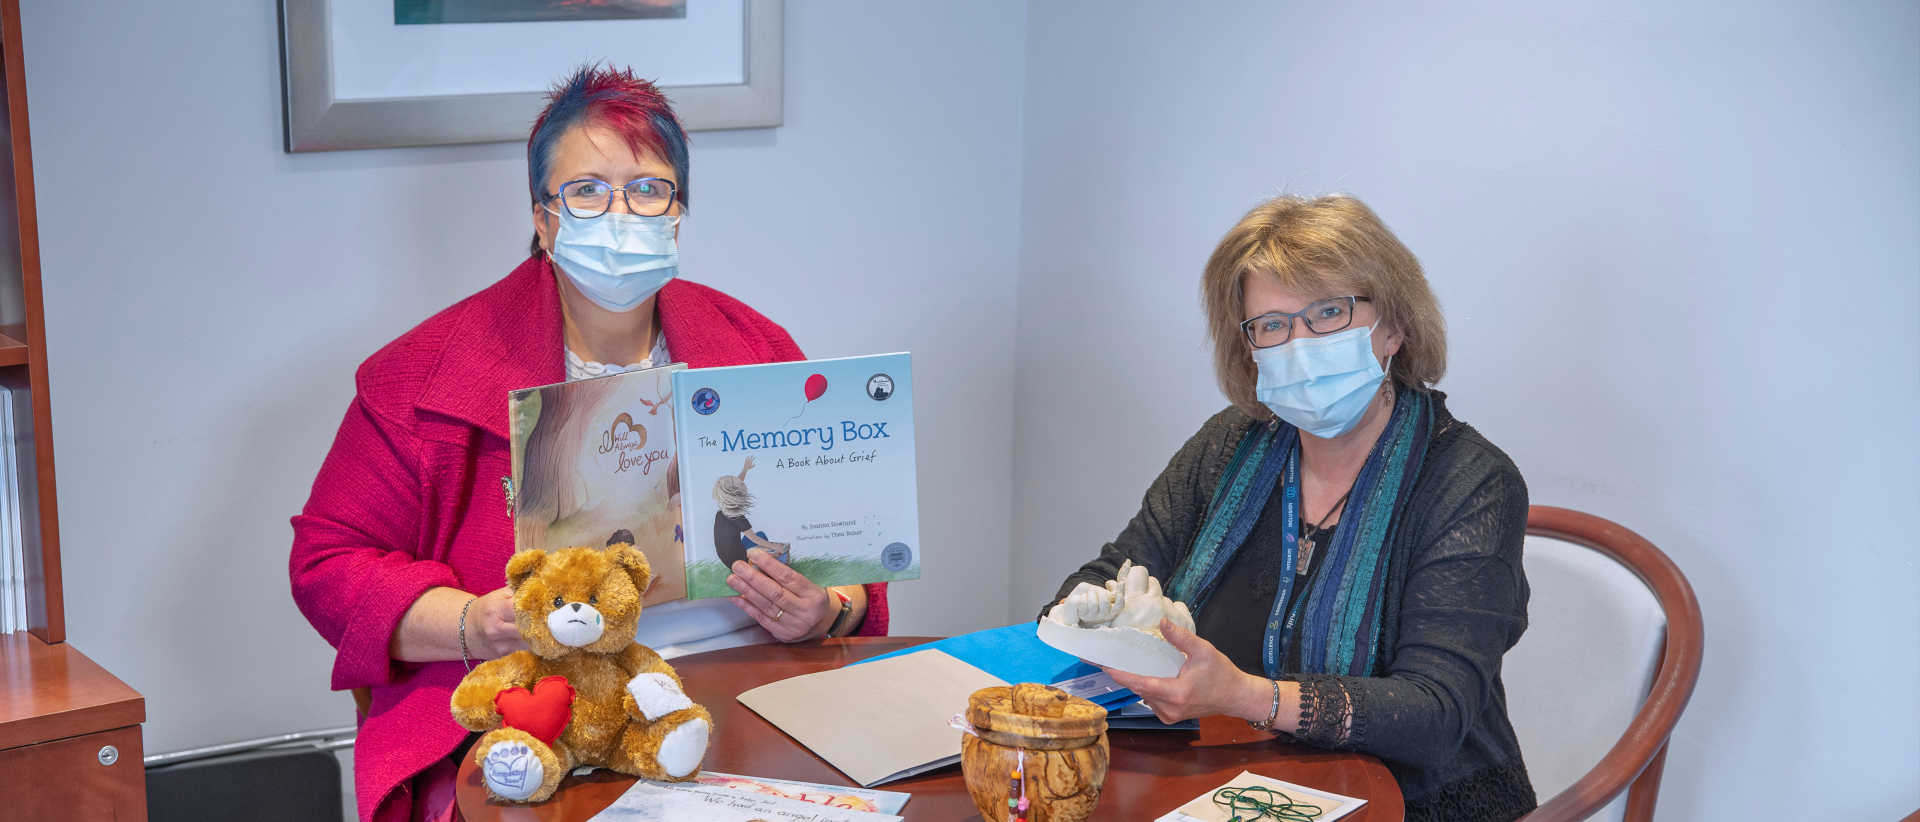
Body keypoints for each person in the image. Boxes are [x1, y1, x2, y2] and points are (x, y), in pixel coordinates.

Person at [289, 66, 886, 822]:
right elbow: (326, 565)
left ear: (678, 213)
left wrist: (826, 610)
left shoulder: (759, 351)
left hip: (752, 695)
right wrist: (478, 621)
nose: (620, 213)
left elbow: (854, 559)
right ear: (543, 218)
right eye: (587, 191)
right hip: (541, 712)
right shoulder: (421, 376)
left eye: (647, 190)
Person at [1043, 195, 1535, 822]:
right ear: (1247, 346)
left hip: (1421, 803)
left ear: (1393, 326)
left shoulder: (1472, 481)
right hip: (1225, 784)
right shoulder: (1229, 444)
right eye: (1272, 325)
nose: (1299, 344)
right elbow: (1110, 575)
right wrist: (1090, 615)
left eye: (1328, 312)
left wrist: (1245, 696)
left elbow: (1434, 714)